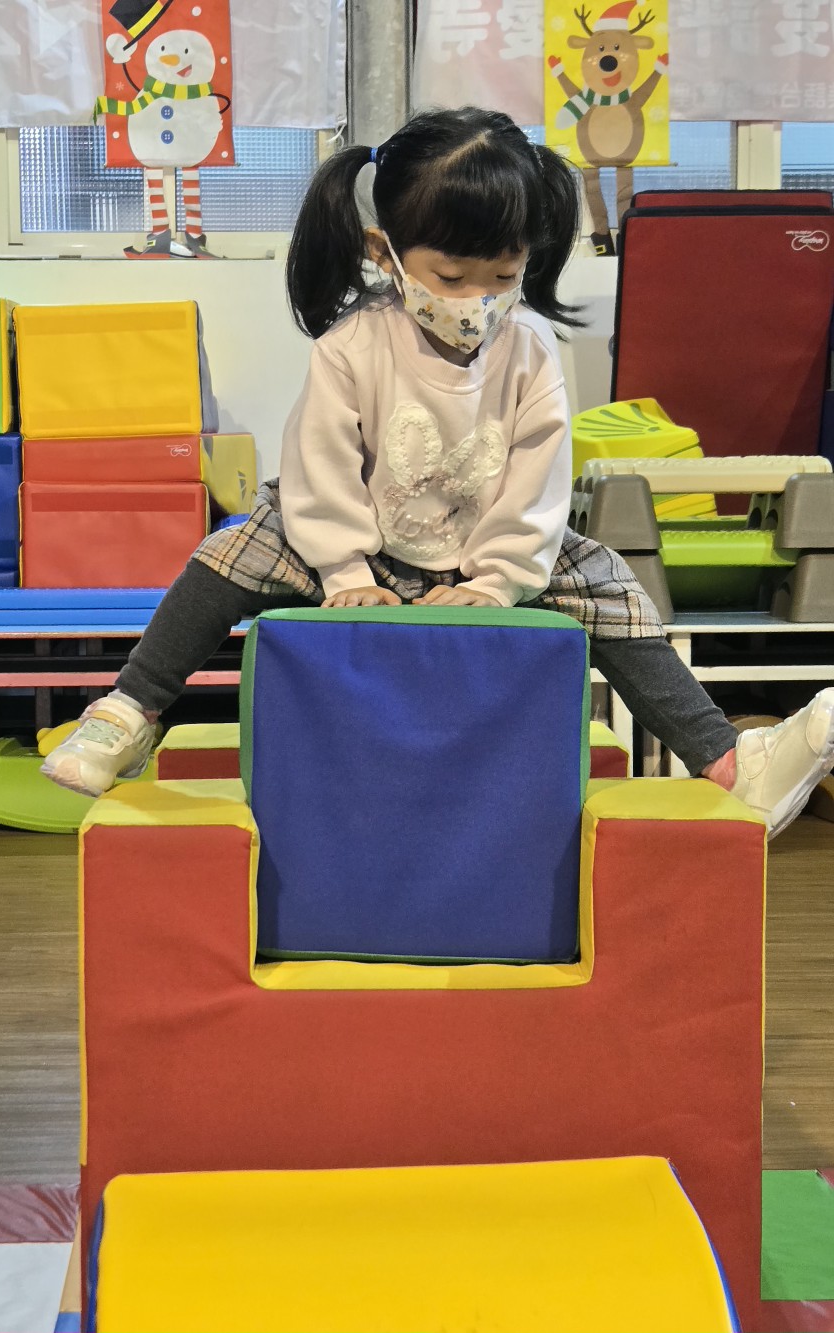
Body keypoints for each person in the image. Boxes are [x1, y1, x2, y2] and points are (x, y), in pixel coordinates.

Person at [42, 105, 834, 839]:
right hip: (361, 545)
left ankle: (728, 762)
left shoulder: (530, 351)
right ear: (382, 251)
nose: (477, 300)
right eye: (452, 278)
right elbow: (320, 471)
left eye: (504, 275)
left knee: (613, 587)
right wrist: (346, 571)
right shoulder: (352, 348)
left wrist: (497, 581)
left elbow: (538, 483)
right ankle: (128, 710)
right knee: (231, 550)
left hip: (488, 551)